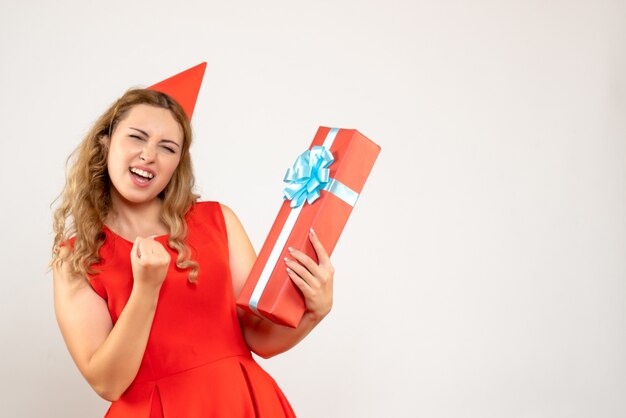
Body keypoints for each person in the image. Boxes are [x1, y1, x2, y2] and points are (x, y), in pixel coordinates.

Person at [50, 66, 334, 417]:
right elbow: (108, 382)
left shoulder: (219, 221)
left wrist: (313, 312)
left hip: (242, 402)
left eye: (167, 147)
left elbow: (258, 337)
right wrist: (146, 288)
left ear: (177, 164)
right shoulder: (77, 258)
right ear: (105, 141)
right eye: (136, 137)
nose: (148, 155)